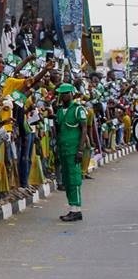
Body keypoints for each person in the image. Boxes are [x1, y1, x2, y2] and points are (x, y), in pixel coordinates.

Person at [55, 83, 88, 221]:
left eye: (65, 93)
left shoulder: (78, 109)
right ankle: (72, 208)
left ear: (71, 94)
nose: (62, 96)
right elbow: (58, 130)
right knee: (67, 180)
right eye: (61, 94)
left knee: (74, 180)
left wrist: (80, 150)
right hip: (63, 150)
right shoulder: (59, 111)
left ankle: (77, 209)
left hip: (74, 150)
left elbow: (84, 129)